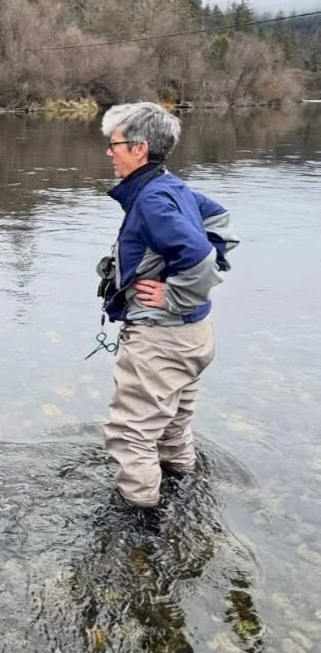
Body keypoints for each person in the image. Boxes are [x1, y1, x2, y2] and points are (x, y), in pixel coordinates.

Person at [97, 102, 238, 511]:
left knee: (131, 434)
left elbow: (197, 255)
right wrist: (191, 293)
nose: (109, 152)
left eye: (114, 144)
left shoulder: (154, 200)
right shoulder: (172, 186)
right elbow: (222, 226)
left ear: (139, 148)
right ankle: (183, 491)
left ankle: (142, 523)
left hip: (161, 340)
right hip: (195, 337)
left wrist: (175, 294)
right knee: (173, 426)